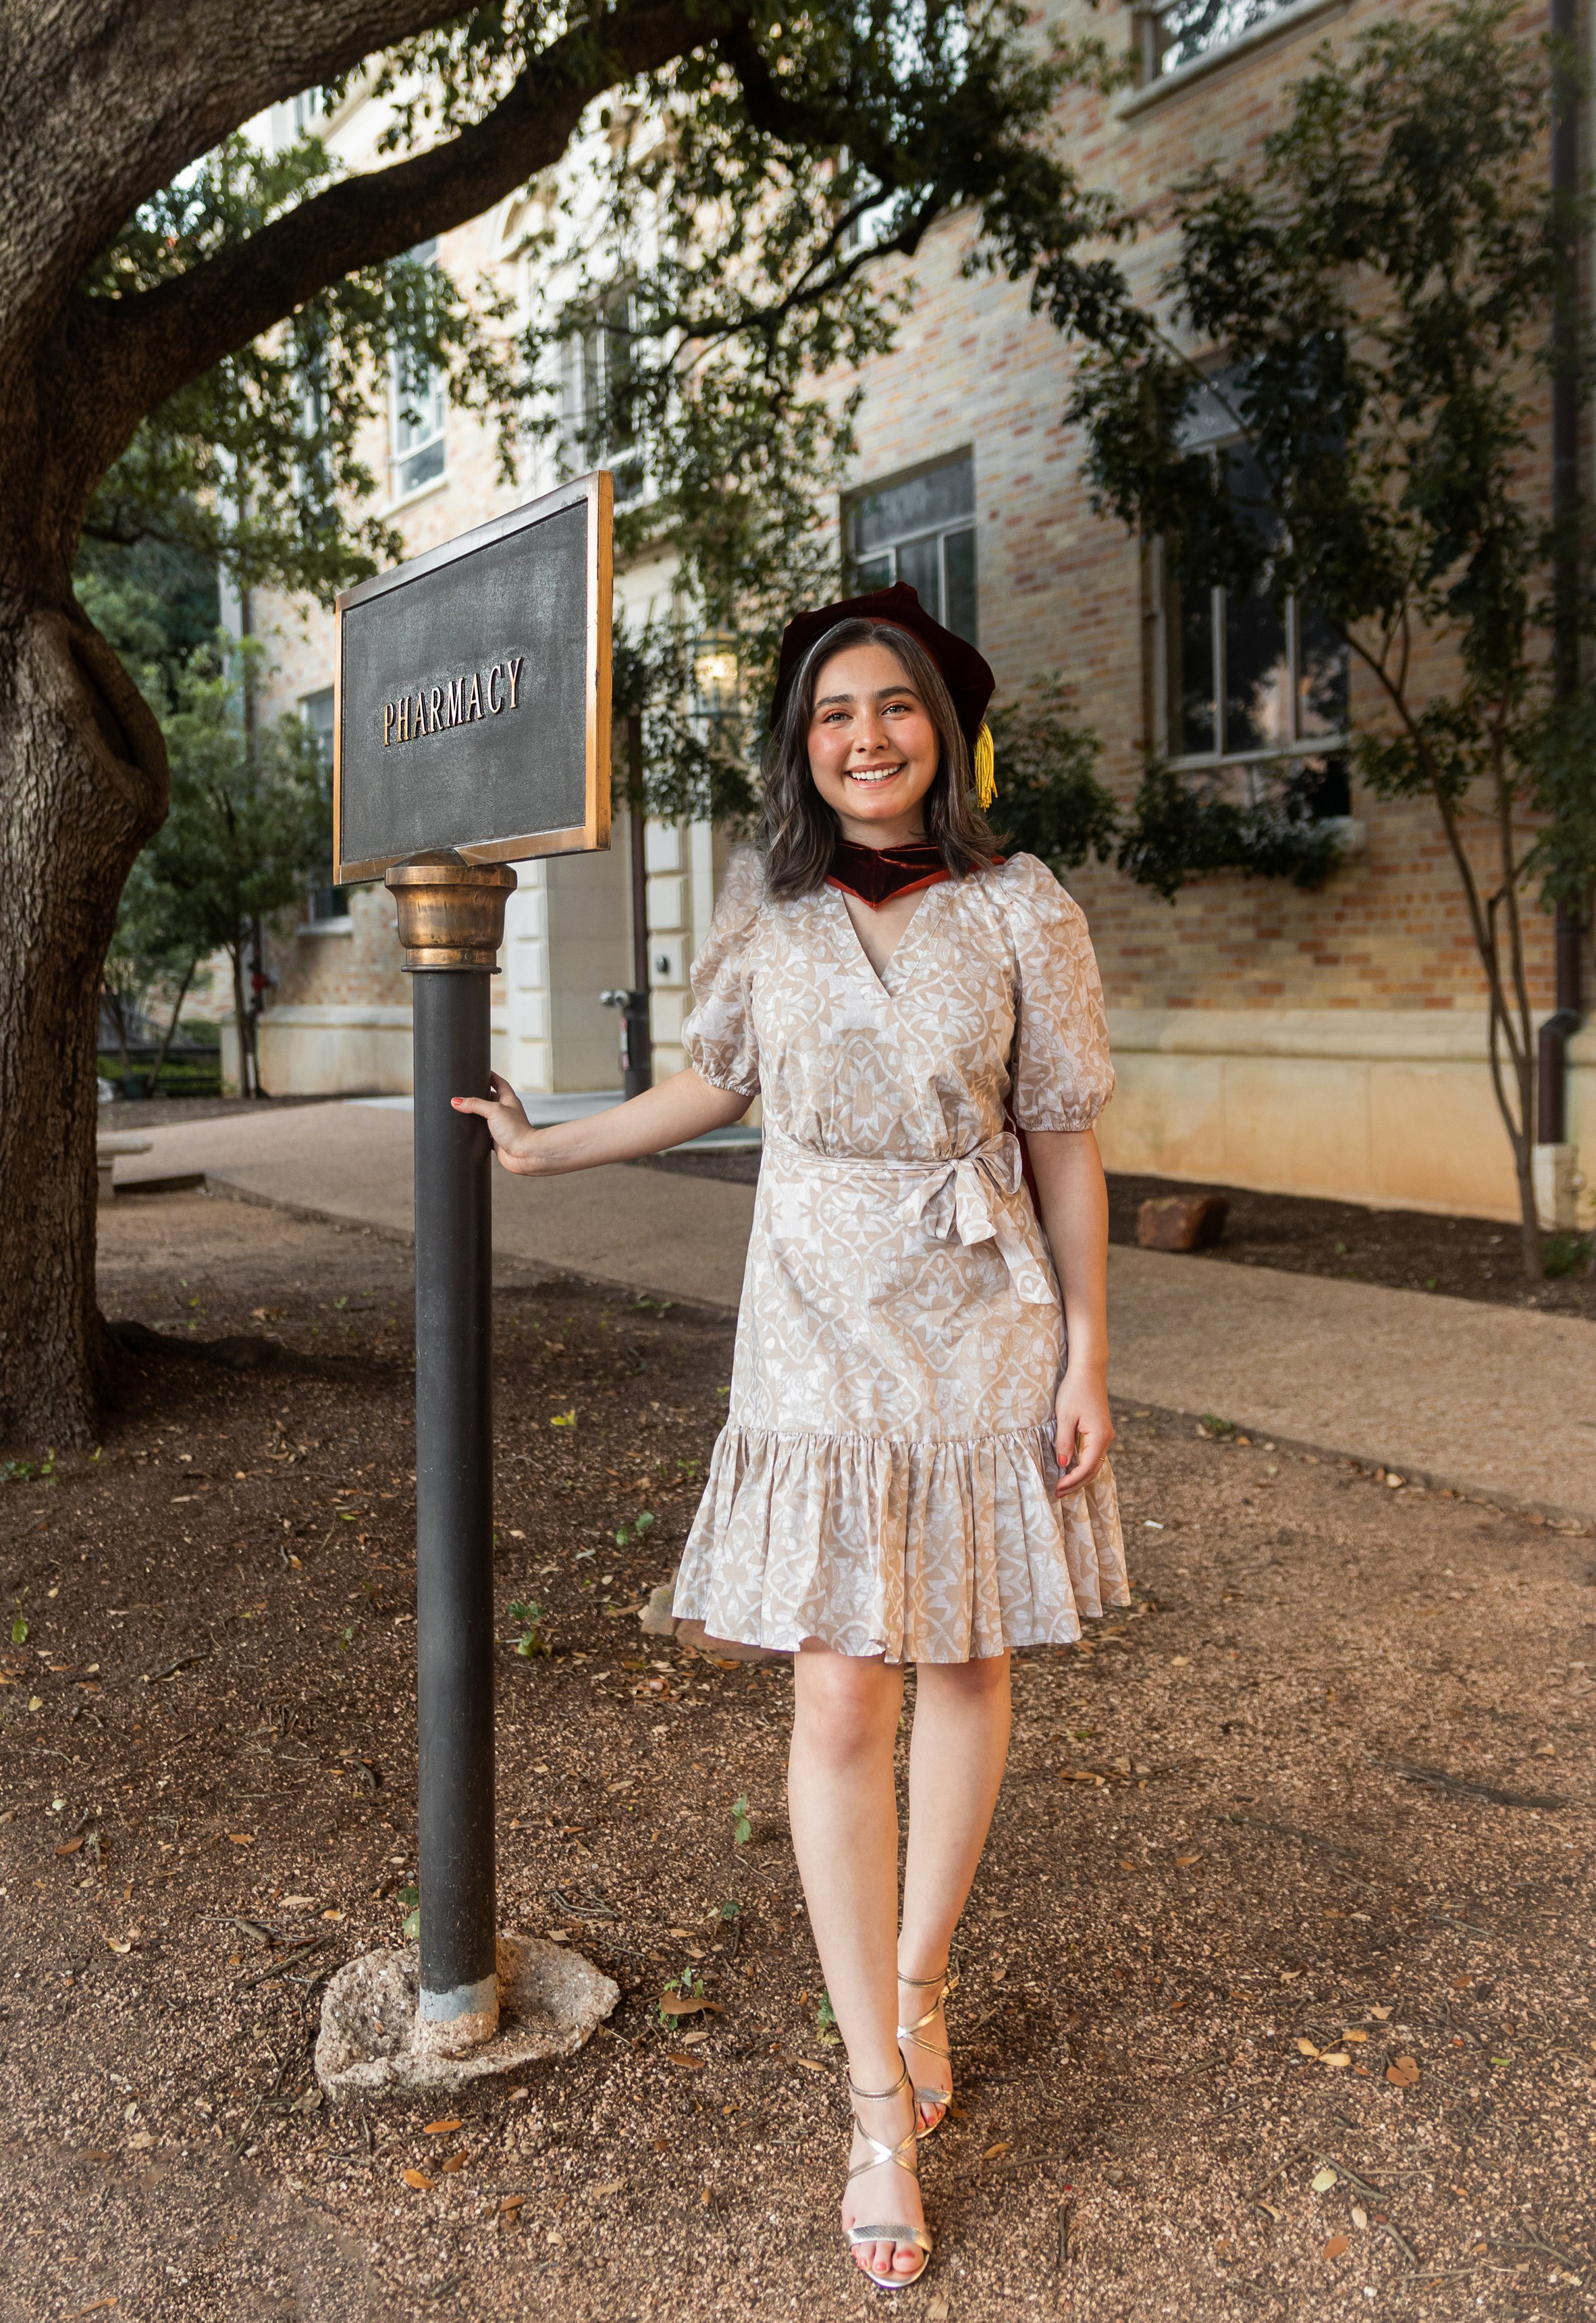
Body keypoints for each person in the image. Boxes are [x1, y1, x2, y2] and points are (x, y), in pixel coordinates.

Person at [453, 584, 1126, 2292]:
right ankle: (873, 2095)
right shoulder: (769, 902)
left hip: (983, 1315)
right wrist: (552, 1154)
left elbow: (1059, 1142)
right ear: (800, 745)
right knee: (843, 1683)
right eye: (832, 716)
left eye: (892, 707)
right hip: (814, 1323)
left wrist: (1086, 1359)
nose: (865, 739)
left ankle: (921, 1977)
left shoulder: (1020, 908)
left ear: (944, 728)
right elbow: (716, 1086)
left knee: (968, 1659)